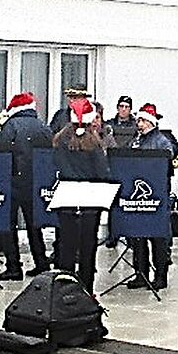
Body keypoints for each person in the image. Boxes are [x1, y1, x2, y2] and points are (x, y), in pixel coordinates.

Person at [53, 97, 112, 293]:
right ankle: (86, 289)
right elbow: (102, 172)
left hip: (66, 195)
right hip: (90, 197)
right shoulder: (94, 142)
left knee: (66, 244)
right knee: (88, 245)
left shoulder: (60, 140)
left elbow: (57, 164)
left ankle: (64, 287)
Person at [0, 92, 53, 282]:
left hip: (13, 181)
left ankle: (13, 267)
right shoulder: (43, 126)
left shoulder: (11, 125)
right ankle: (41, 263)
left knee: (9, 226)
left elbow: (1, 152)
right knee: (34, 226)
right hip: (35, 182)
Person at [126, 103, 175, 290]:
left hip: (156, 196)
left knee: (158, 238)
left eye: (142, 120)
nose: (139, 124)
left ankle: (160, 276)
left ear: (151, 122)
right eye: (138, 120)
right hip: (138, 198)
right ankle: (141, 273)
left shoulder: (162, 141)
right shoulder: (135, 141)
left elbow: (167, 161)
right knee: (138, 237)